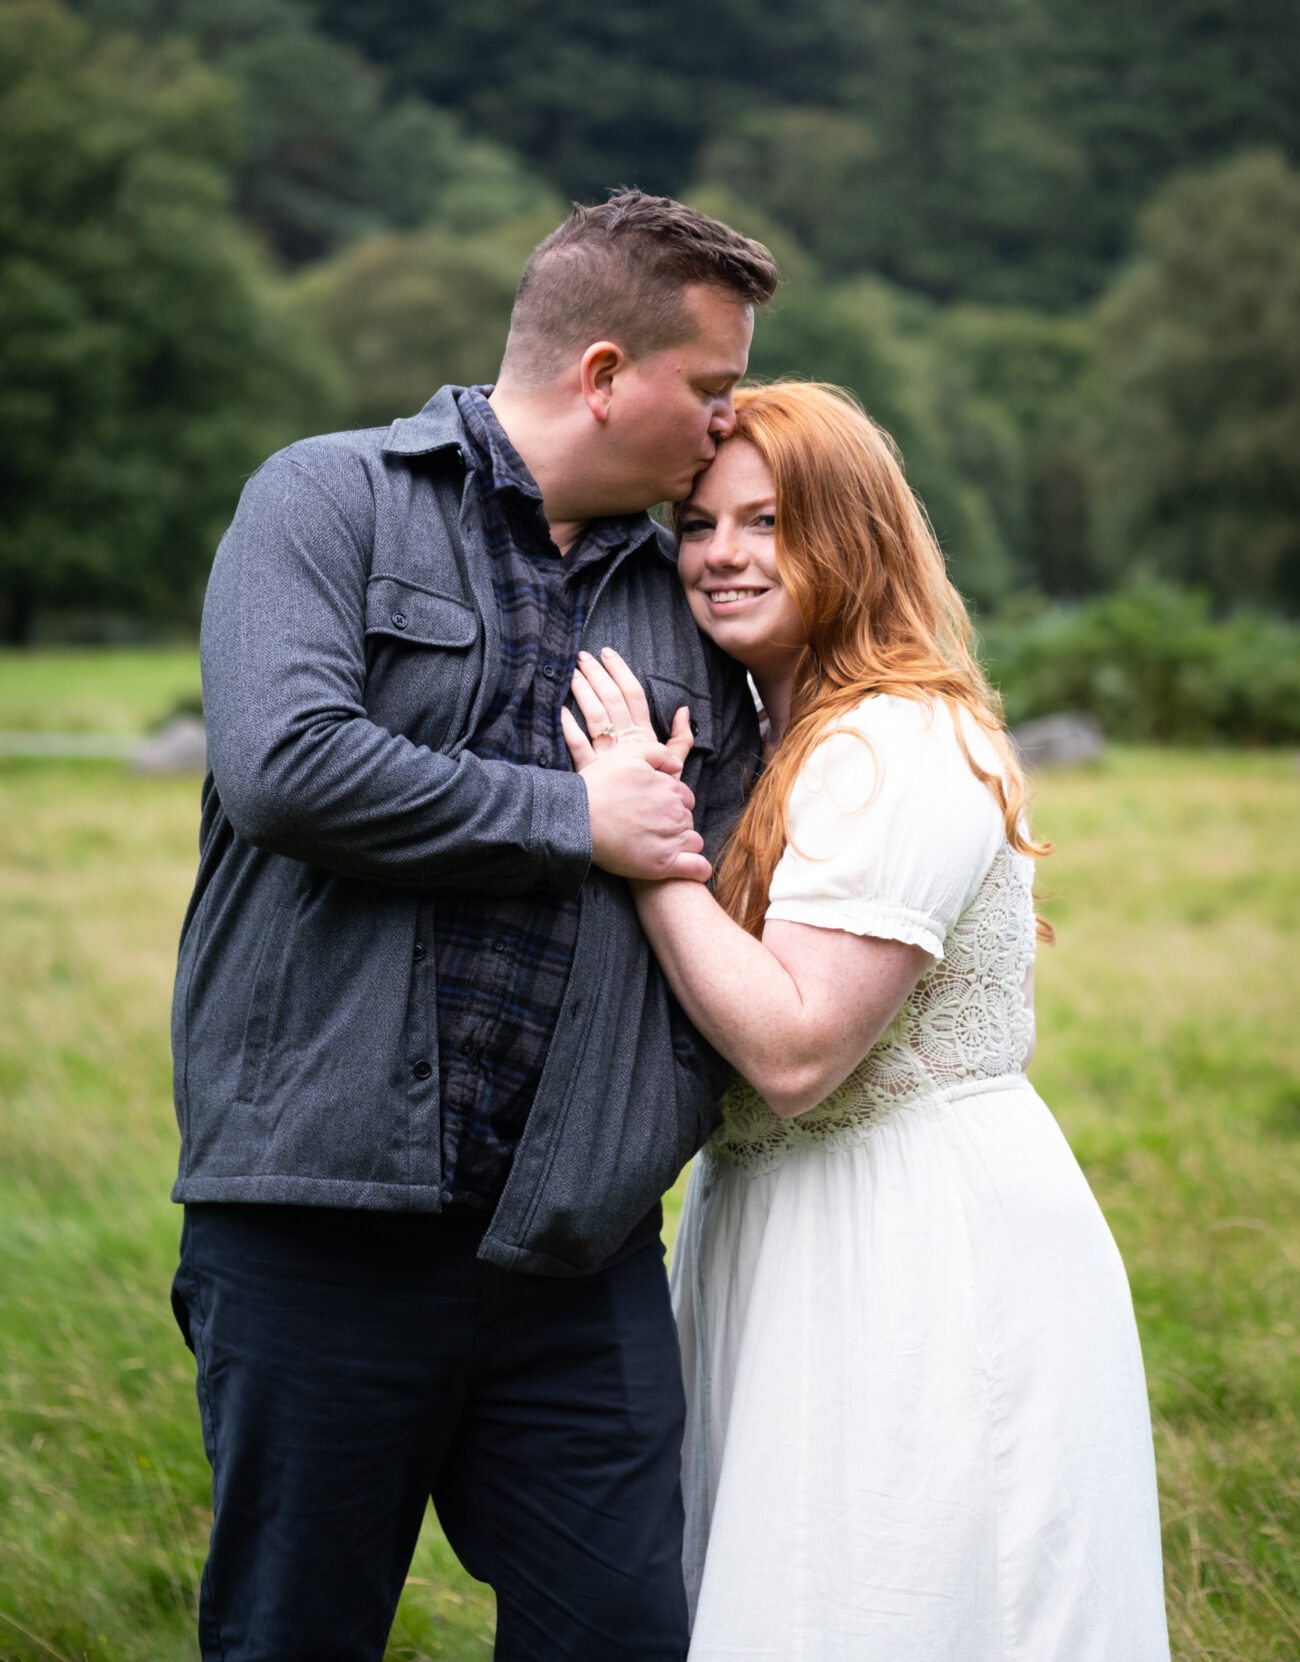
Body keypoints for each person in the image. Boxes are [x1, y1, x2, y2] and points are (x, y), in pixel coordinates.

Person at [167, 191, 778, 1661]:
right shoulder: (326, 498)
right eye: (710, 387)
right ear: (607, 373)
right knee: (290, 1637)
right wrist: (579, 819)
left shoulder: (688, 599)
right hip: (313, 1217)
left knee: (625, 1634)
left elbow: (748, 853)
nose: (724, 423)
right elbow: (285, 763)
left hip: (577, 1248)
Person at [562, 381, 1171, 1661]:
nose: (722, 555)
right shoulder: (774, 735)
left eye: (768, 521)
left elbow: (793, 1049)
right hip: (783, 1225)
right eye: (699, 522)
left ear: (853, 537)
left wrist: (643, 846)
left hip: (912, 1238)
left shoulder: (893, 743)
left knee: (899, 1596)